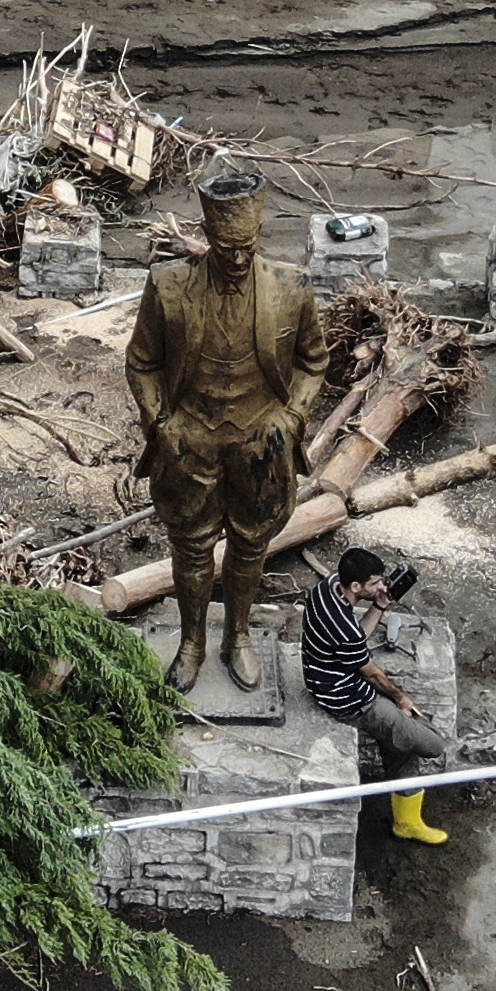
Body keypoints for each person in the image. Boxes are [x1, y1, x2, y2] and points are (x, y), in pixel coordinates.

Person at [124, 171, 328, 692]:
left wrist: (292, 418)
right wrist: (160, 423)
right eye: (225, 247)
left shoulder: (292, 287)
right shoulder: (168, 284)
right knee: (190, 548)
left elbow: (313, 361)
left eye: (246, 247)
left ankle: (237, 635)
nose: (236, 258)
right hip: (189, 441)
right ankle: (192, 641)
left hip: (262, 442)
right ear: (208, 236)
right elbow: (142, 362)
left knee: (250, 545)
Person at [301, 547, 455, 845]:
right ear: (356, 587)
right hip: (349, 701)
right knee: (431, 742)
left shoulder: (328, 587)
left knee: (401, 743)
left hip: (334, 682)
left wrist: (381, 604)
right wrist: (401, 698)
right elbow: (371, 672)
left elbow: (360, 637)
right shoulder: (341, 626)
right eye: (375, 584)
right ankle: (406, 821)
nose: (382, 587)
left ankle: (406, 823)